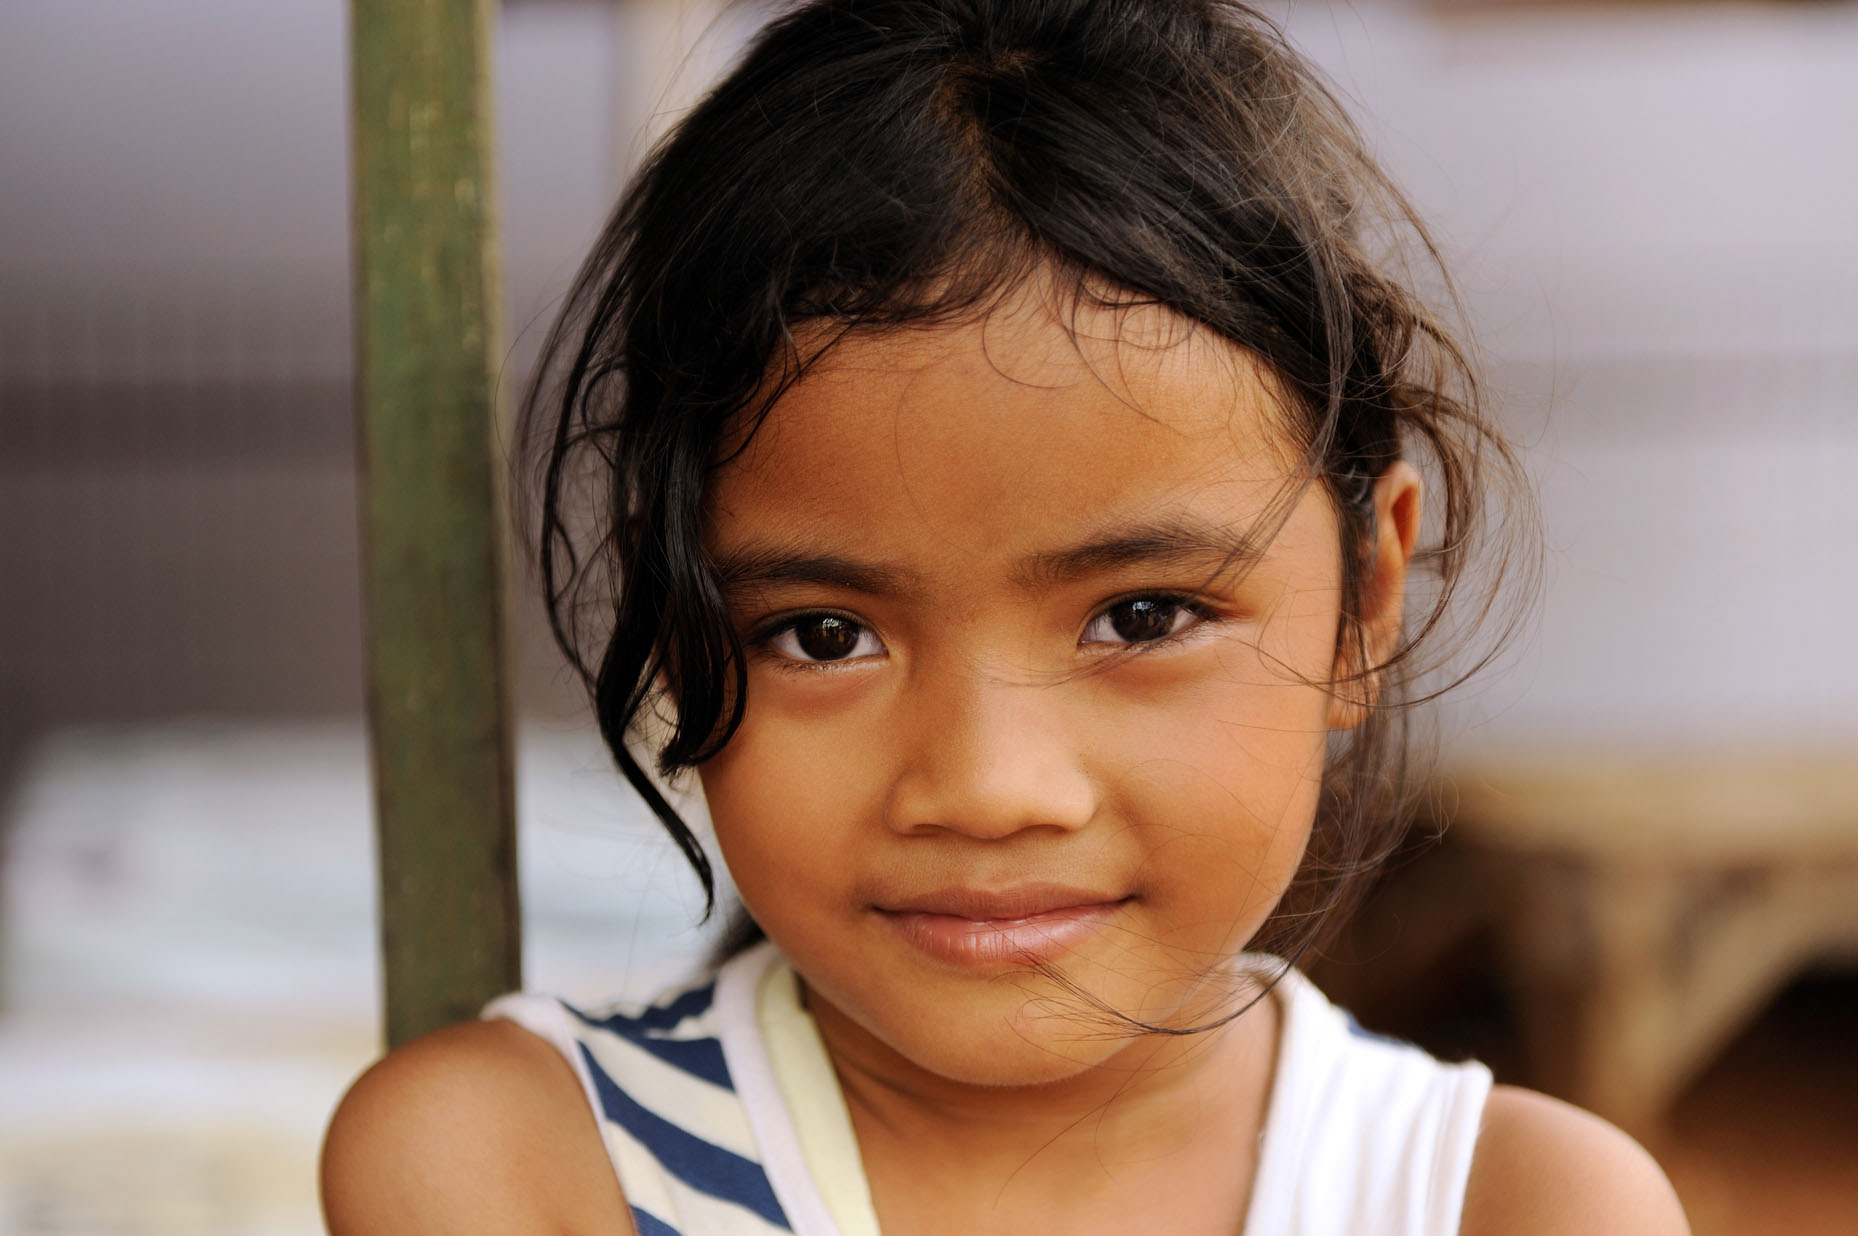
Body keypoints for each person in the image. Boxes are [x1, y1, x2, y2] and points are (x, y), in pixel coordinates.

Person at [321, 2, 1690, 1233]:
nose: (983, 789)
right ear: (680, 631)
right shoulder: (516, 1170)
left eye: (1143, 615)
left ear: (1362, 601)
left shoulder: (1506, 1207)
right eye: (822, 634)